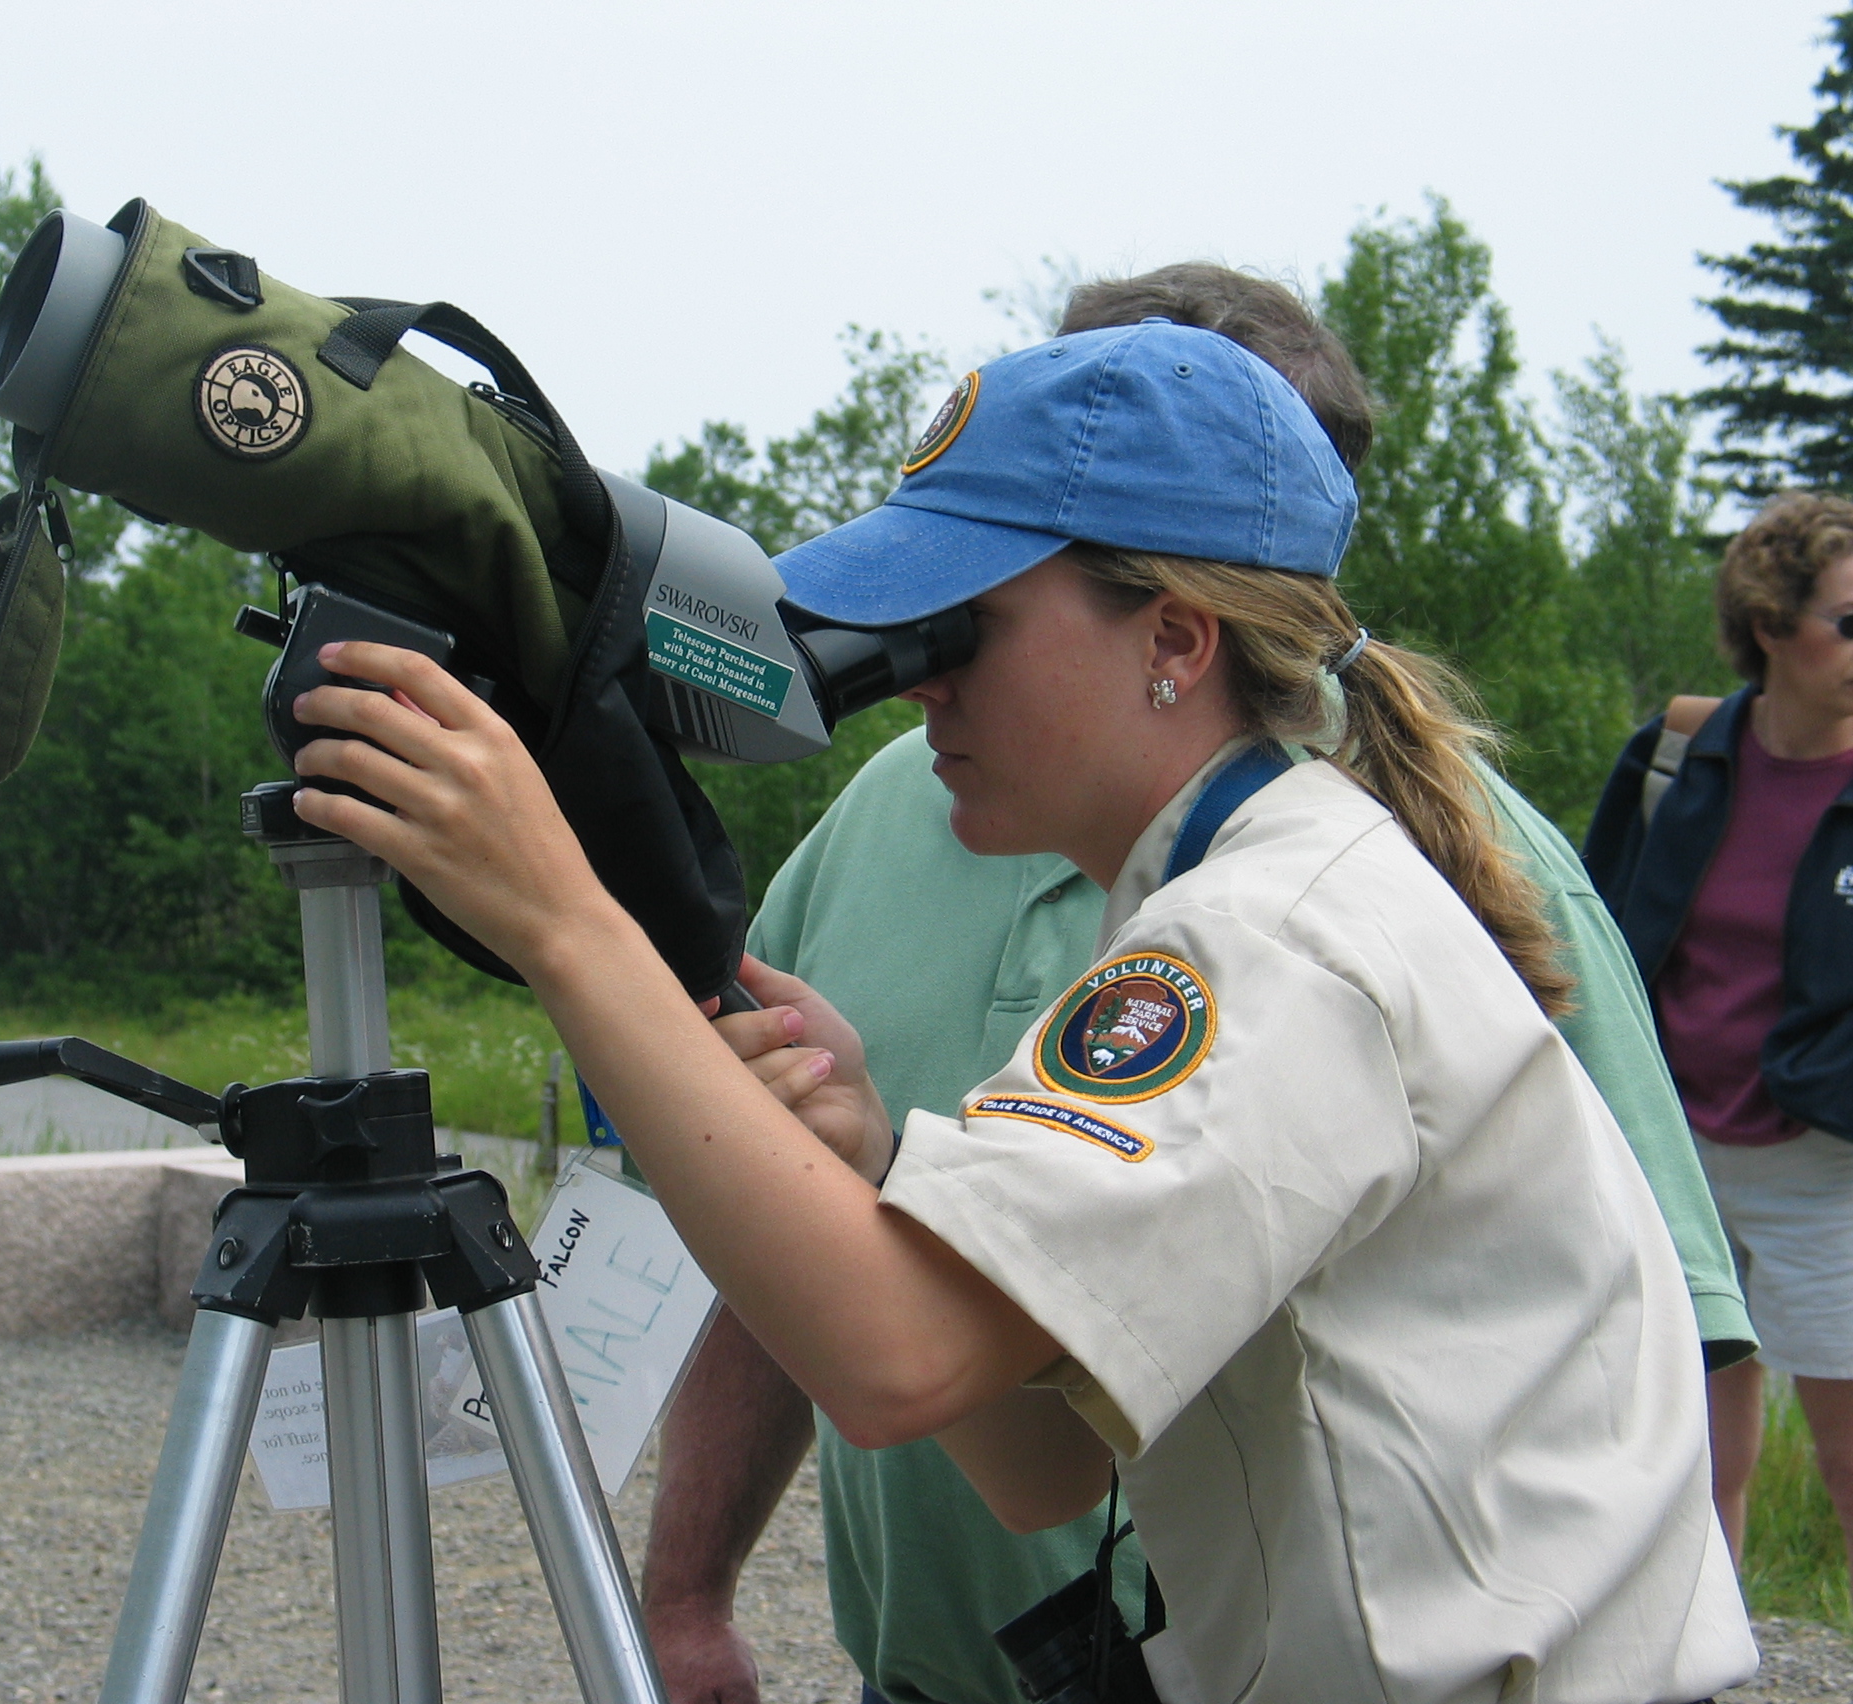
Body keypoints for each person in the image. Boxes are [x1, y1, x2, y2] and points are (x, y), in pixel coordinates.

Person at [287, 320, 1756, 1701]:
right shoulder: (1247, 887)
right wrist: (870, 1174)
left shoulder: (1270, 938)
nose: (915, 682)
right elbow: (1039, 1463)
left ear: (1175, 641)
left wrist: (562, 918)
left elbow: (887, 1360)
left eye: (958, 626)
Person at [1585, 491, 1853, 1572]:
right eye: (1849, 619)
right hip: (1674, 1148)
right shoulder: (1680, 757)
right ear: (1771, 625)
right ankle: (1708, 1655)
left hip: (1820, 1161)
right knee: (1693, 1443)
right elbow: (1586, 924)